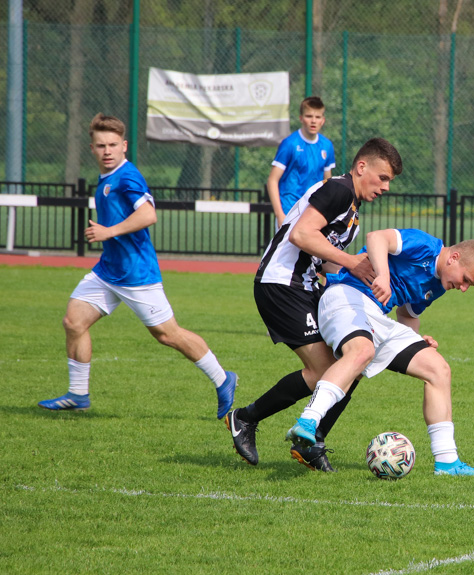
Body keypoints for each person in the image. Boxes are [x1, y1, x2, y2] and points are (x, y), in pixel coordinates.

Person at [38, 113, 237, 418]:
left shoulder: (128, 176)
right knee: (74, 322)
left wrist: (108, 231)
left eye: (113, 144)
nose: (107, 150)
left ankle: (223, 379)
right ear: (92, 148)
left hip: (136, 273)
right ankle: (78, 394)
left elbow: (148, 215)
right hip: (108, 270)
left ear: (124, 146)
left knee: (167, 334)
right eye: (101, 145)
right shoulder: (107, 177)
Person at [225, 138, 403, 471]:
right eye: (383, 177)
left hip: (305, 288)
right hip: (280, 284)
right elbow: (301, 235)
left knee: (353, 362)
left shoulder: (352, 214)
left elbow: (327, 263)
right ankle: (246, 419)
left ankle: (313, 441)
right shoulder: (337, 190)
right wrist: (351, 261)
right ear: (361, 167)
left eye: (390, 181)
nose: (386, 187)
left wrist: (364, 282)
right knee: (325, 369)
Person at [287, 228, 474, 477]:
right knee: (361, 352)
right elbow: (377, 237)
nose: (463, 288)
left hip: (375, 316)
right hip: (345, 297)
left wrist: (416, 340)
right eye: (465, 279)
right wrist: (383, 277)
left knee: (438, 369)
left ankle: (447, 462)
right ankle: (308, 421)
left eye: (468, 285)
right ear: (454, 257)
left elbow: (407, 315)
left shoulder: (438, 285)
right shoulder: (426, 246)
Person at [267, 96, 336, 226]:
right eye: (309, 116)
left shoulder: (327, 146)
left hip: (313, 212)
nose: (313, 121)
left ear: (323, 120)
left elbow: (327, 183)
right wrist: (279, 214)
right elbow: (272, 180)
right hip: (289, 211)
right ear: (301, 118)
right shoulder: (289, 144)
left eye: (318, 117)